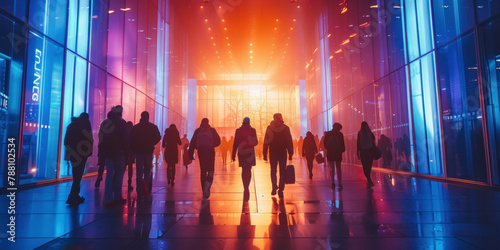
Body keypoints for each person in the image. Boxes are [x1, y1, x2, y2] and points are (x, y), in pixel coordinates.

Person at [98, 106, 129, 206]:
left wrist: (102, 150)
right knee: (119, 173)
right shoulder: (121, 123)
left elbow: (101, 138)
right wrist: (127, 151)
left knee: (109, 174)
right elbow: (125, 138)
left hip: (107, 152)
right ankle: (117, 196)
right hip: (119, 151)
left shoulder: (105, 123)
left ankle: (108, 198)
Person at [129, 111, 161, 196]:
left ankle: (139, 188)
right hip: (148, 151)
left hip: (139, 151)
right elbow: (158, 137)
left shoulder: (135, 128)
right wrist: (152, 143)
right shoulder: (153, 127)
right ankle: (145, 181)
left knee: (139, 170)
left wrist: (134, 148)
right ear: (148, 117)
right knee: (147, 168)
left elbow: (131, 139)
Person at [64, 112, 93, 205]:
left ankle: (74, 195)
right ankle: (73, 195)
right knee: (78, 175)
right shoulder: (86, 125)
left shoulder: (71, 126)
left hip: (73, 154)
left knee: (75, 174)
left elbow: (66, 141)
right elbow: (89, 139)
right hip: (82, 153)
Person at [188, 118, 221, 200]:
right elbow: (218, 141)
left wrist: (190, 154)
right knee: (211, 170)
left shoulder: (198, 131)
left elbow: (192, 143)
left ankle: (204, 190)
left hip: (201, 152)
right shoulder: (212, 130)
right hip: (210, 152)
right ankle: (208, 186)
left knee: (203, 170)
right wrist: (212, 145)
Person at [263, 113, 293, 199]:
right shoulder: (285, 128)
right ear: (281, 118)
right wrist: (290, 153)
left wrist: (264, 152)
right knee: (282, 171)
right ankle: (281, 190)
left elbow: (266, 140)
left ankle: (274, 186)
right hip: (282, 152)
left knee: (273, 170)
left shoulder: (269, 128)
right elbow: (289, 141)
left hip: (273, 152)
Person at [232, 117, 258, 201]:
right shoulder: (253, 130)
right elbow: (256, 142)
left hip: (241, 152)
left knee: (244, 169)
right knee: (249, 169)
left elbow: (235, 142)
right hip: (250, 152)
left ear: (243, 122)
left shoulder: (238, 131)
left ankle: (245, 187)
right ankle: (247, 186)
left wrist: (233, 154)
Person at [325, 123, 345, 189]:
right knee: (338, 167)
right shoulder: (340, 134)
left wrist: (328, 148)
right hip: (338, 152)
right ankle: (339, 182)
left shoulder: (328, 134)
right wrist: (342, 150)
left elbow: (325, 143)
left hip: (330, 152)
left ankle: (332, 182)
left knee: (331, 167)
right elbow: (342, 144)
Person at [357, 121, 375, 188]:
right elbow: (373, 139)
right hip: (370, 151)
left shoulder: (359, 133)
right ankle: (369, 179)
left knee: (364, 166)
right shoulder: (369, 132)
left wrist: (357, 152)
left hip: (363, 152)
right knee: (369, 166)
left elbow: (358, 143)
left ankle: (369, 179)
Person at [125, 121, 135, 191]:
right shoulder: (132, 133)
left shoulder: (124, 133)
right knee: (130, 167)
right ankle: (129, 182)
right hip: (131, 152)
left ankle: (116, 183)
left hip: (124, 152)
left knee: (122, 168)